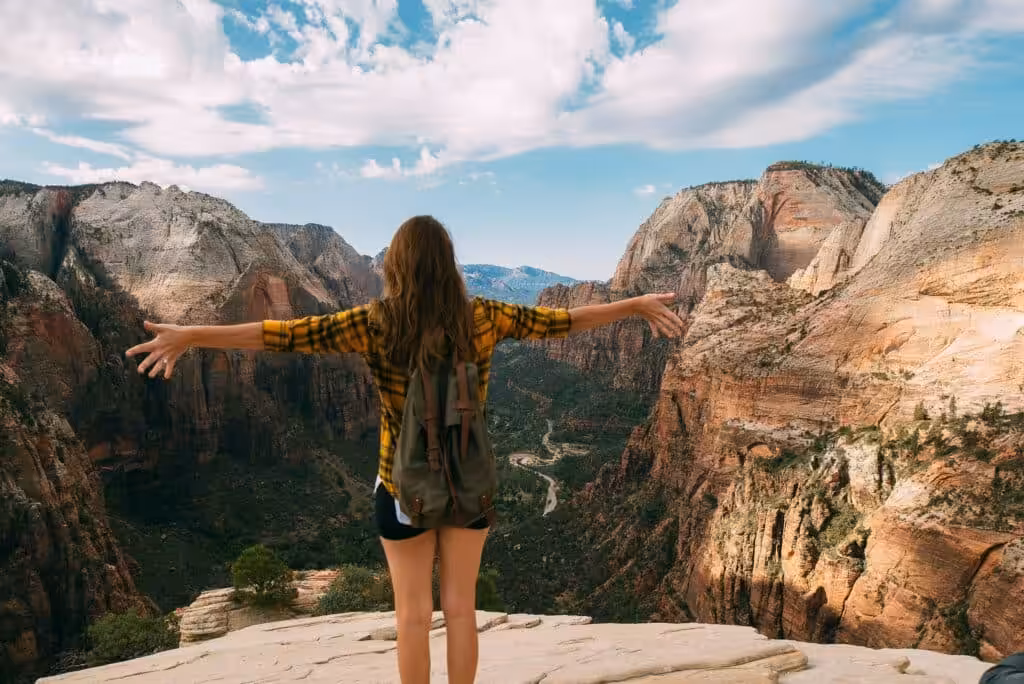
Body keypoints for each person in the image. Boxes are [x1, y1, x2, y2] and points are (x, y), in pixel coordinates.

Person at [125, 215, 685, 684]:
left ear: (394, 267)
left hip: (400, 490)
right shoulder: (484, 316)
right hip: (471, 487)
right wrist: (631, 305)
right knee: (462, 612)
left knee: (413, 616)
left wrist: (194, 334)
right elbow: (563, 322)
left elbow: (281, 334)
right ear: (448, 265)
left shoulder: (376, 323)